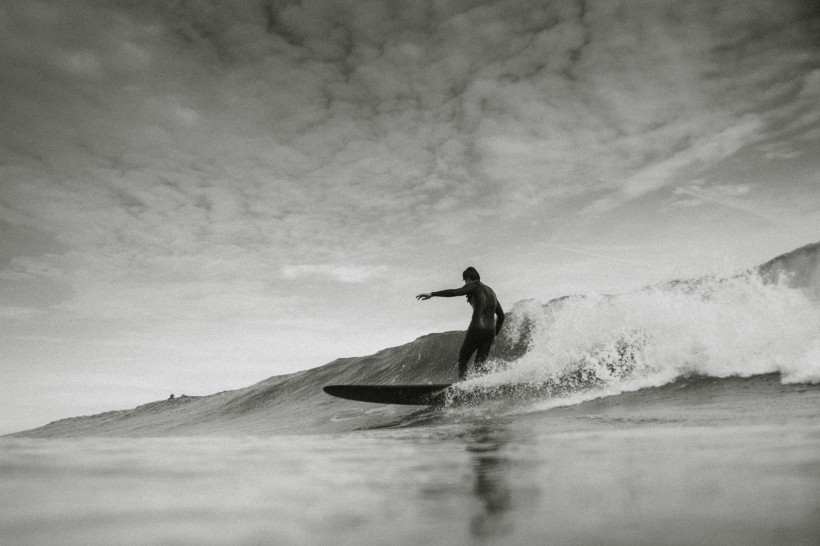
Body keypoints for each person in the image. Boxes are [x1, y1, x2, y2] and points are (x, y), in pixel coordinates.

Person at [417, 267, 505, 380]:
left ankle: (463, 388)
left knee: (463, 360)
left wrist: (432, 294)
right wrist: (495, 335)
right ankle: (484, 387)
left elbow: (454, 292)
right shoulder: (491, 292)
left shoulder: (473, 285)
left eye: (465, 281)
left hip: (477, 327)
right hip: (490, 331)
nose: (465, 283)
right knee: (480, 365)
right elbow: (501, 316)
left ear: (468, 279)